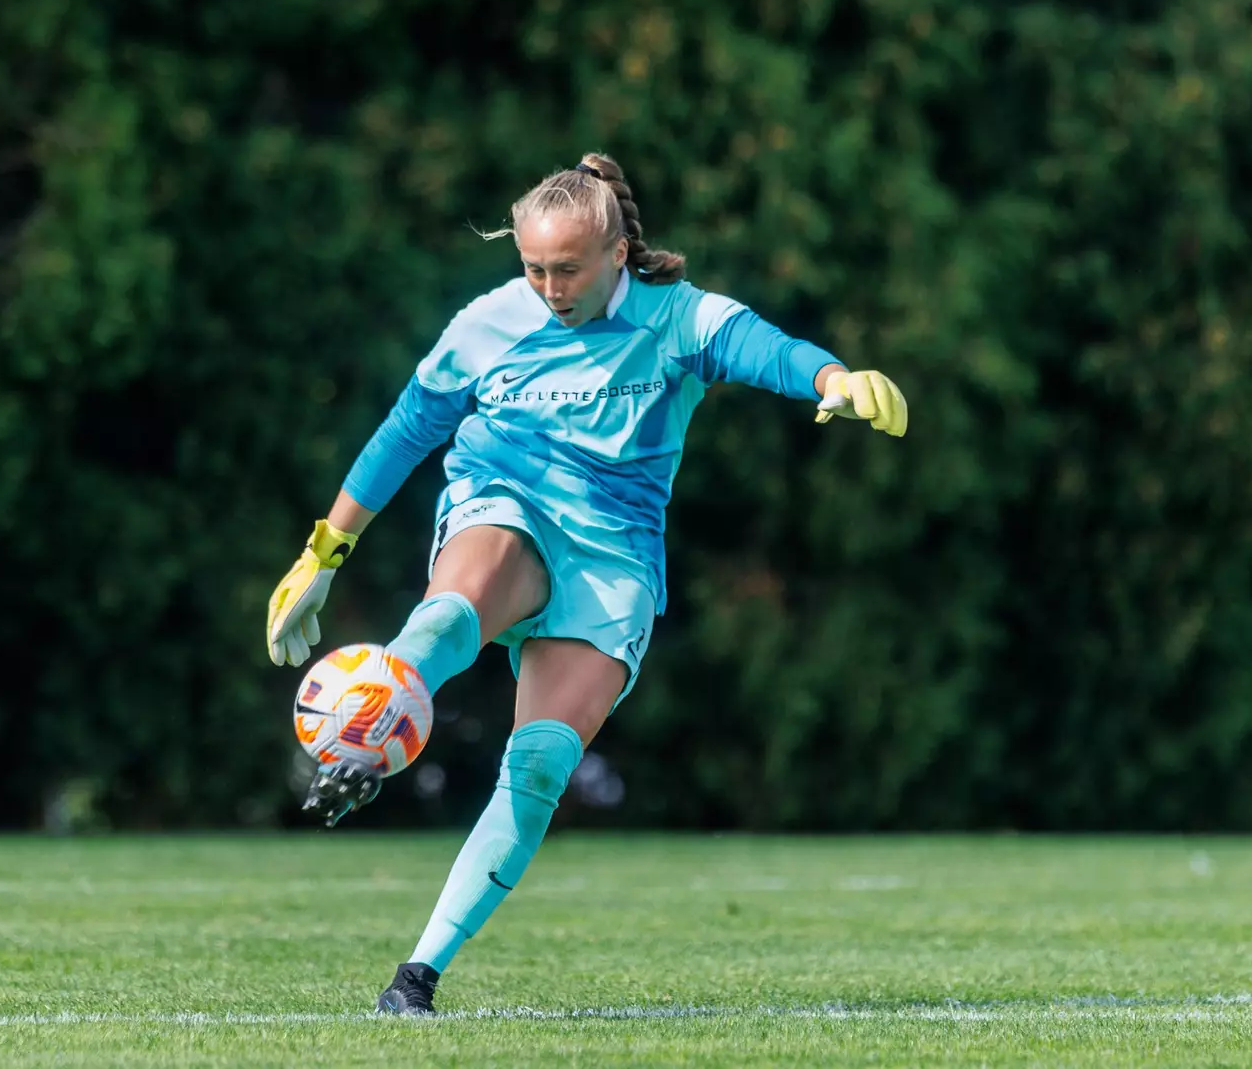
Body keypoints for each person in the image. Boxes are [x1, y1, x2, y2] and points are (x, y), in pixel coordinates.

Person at [264, 152, 907, 1015]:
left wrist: (834, 377)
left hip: (613, 561)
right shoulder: (490, 321)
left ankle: (414, 979)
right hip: (508, 501)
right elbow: (406, 430)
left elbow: (768, 350)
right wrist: (323, 553)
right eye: (532, 267)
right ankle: (380, 720)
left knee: (535, 771)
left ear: (616, 253)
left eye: (567, 268)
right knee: (449, 613)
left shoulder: (678, 317)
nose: (549, 286)